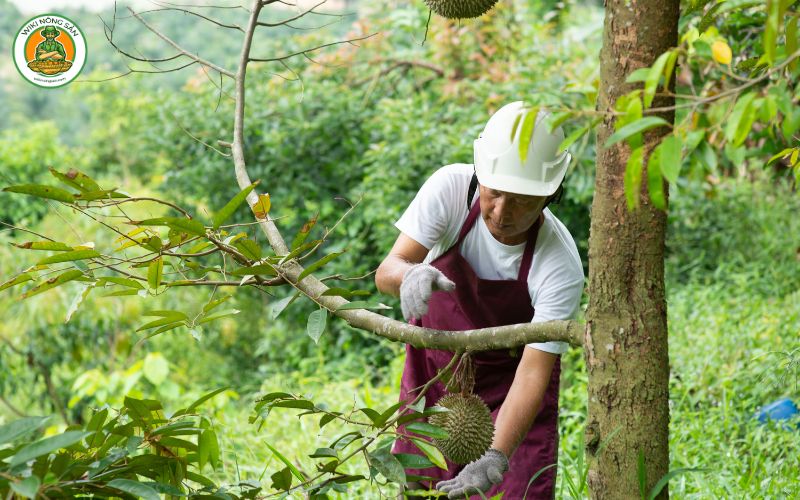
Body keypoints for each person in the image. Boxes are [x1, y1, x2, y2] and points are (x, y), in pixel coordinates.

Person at [375, 101, 584, 499]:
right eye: (495, 193)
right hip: (435, 380)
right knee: (421, 491)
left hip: (512, 394)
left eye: (521, 200)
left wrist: (495, 455)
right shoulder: (451, 190)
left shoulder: (558, 263)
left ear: (550, 195)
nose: (502, 212)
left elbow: (533, 372)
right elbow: (388, 271)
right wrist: (412, 274)